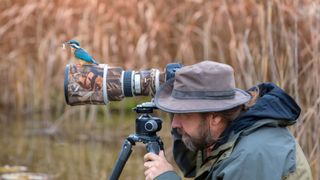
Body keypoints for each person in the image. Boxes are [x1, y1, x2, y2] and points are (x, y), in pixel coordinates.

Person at [143, 61, 312, 180]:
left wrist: (166, 177)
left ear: (215, 117)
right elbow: (191, 165)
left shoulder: (250, 155)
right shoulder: (223, 133)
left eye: (184, 114)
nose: (174, 124)